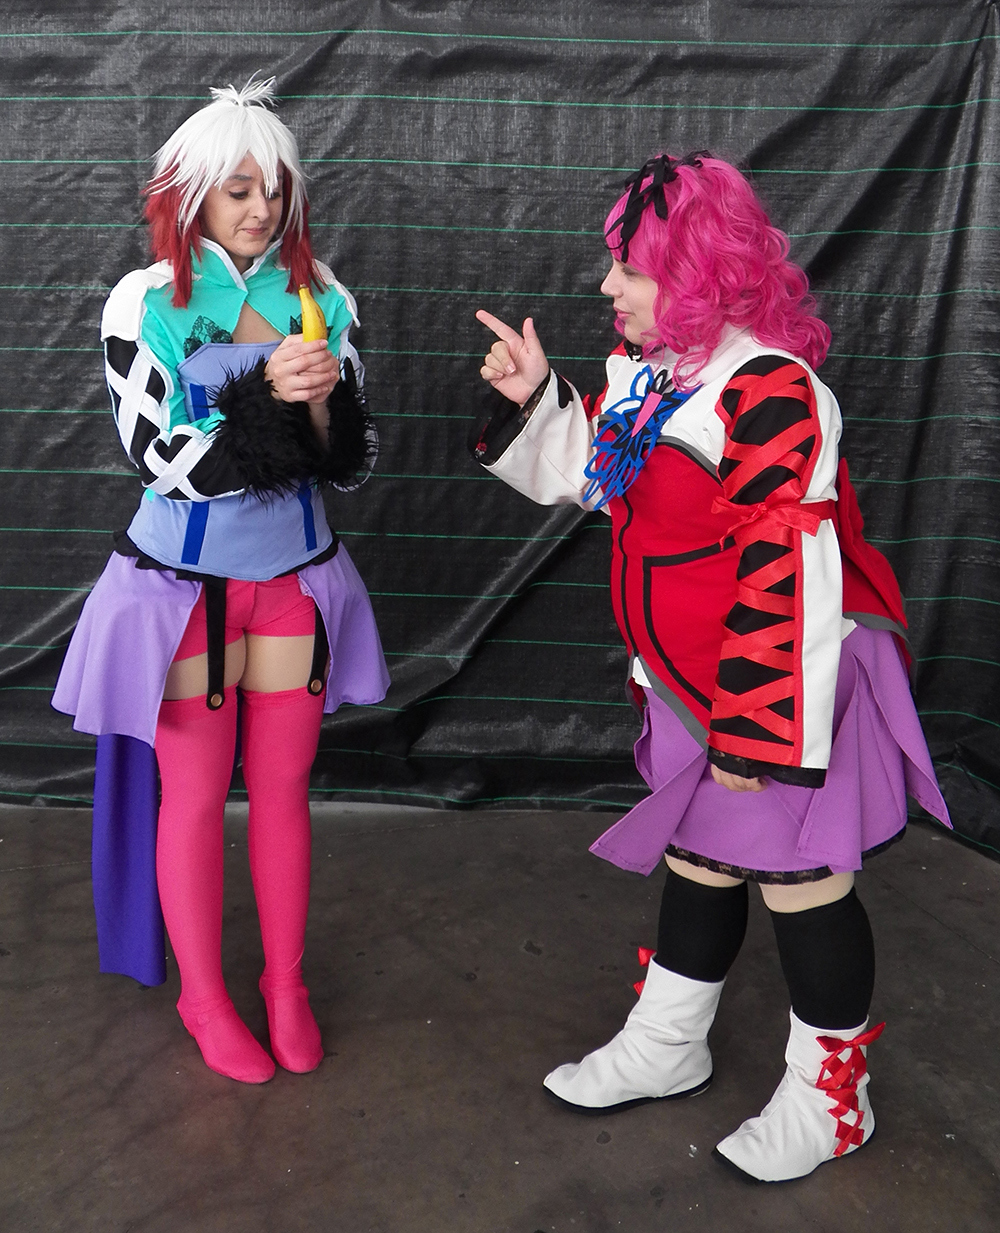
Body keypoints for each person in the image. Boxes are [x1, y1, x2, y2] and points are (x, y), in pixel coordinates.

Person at [471, 151, 950, 1182]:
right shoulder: (652, 369)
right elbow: (603, 480)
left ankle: (833, 1099)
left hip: (778, 684)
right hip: (689, 682)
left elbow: (788, 568)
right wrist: (538, 398)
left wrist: (755, 727)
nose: (608, 285)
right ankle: (668, 1043)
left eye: (631, 268)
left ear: (695, 271)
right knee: (699, 856)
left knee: (803, 882)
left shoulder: (771, 390)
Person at [53, 77, 389, 1084]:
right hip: (181, 591)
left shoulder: (322, 296)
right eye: (238, 190)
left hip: (295, 581)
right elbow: (158, 459)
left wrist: (320, 409)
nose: (259, 210)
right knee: (194, 796)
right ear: (192, 194)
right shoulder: (145, 300)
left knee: (283, 791)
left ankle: (286, 986)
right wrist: (267, 395)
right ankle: (203, 998)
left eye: (273, 190)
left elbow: (349, 465)